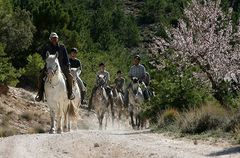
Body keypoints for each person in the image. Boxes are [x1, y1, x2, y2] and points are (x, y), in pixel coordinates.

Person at [35, 32, 75, 102]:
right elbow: (43, 56)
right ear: (50, 39)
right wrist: (47, 60)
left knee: (70, 76)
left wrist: (68, 66)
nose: (54, 39)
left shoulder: (62, 47)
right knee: (40, 76)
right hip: (49, 66)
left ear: (57, 39)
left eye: (55, 38)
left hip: (62, 66)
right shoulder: (47, 47)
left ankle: (70, 93)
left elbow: (66, 57)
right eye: (53, 38)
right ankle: (40, 94)